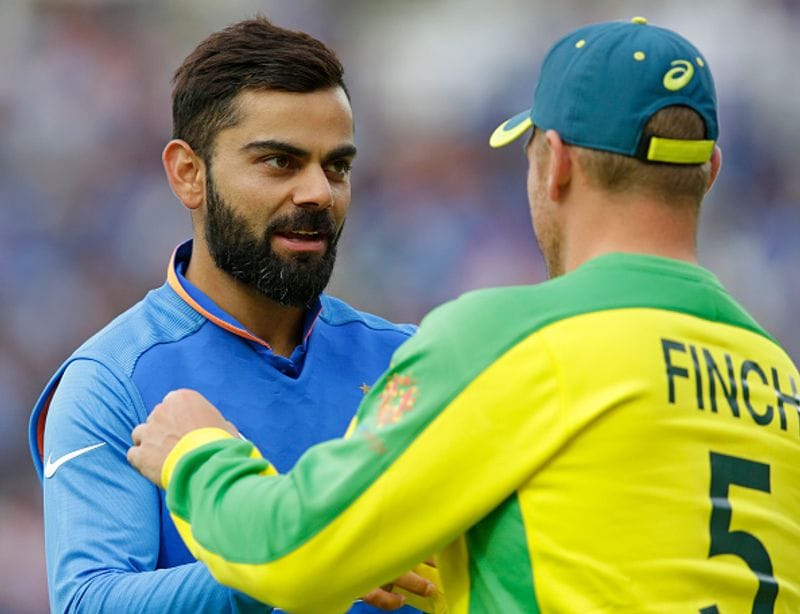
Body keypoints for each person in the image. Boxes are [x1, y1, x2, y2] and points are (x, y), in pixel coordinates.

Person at [128, 16, 800, 613]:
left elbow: (294, 556)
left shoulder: (516, 338)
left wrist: (196, 454)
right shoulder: (777, 373)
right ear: (709, 170)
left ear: (555, 164)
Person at [28, 16, 439, 614]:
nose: (318, 193)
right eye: (279, 162)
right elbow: (90, 601)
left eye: (337, 166)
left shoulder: (410, 358)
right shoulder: (110, 380)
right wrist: (301, 561)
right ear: (188, 174)